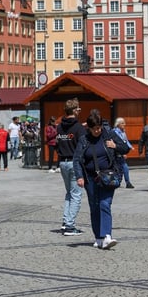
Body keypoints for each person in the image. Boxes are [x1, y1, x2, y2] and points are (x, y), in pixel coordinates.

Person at [74, 109, 130, 249]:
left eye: (99, 128)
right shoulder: (84, 140)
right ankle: (98, 237)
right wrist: (79, 176)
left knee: (105, 204)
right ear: (89, 128)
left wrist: (115, 146)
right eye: (94, 129)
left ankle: (107, 236)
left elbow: (125, 148)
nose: (97, 131)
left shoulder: (109, 134)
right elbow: (77, 159)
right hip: (91, 178)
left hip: (108, 176)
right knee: (94, 206)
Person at [56, 99, 86, 236]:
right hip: (74, 162)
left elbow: (57, 144)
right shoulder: (79, 128)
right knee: (76, 195)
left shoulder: (59, 127)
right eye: (78, 109)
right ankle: (69, 225)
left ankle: (65, 221)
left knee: (69, 193)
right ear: (74, 111)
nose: (79, 111)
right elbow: (83, 146)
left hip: (62, 162)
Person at [112, 117, 134, 188]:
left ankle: (123, 182)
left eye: (124, 123)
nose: (124, 124)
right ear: (118, 124)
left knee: (123, 167)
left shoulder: (123, 132)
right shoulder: (115, 132)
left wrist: (130, 147)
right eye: (122, 123)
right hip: (117, 152)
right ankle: (123, 182)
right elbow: (118, 143)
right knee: (122, 167)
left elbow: (126, 141)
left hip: (121, 152)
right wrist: (122, 152)